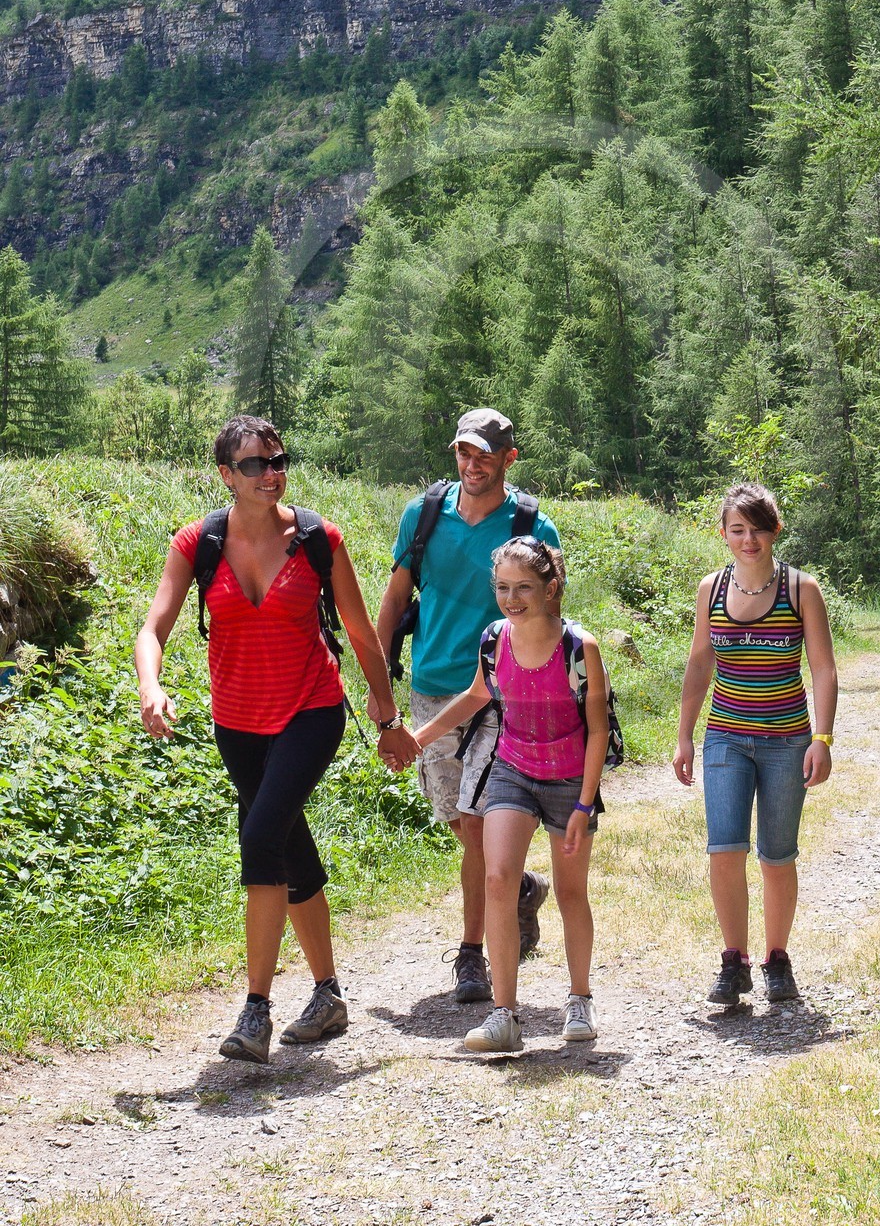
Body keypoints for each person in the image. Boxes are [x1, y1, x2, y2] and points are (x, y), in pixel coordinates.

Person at [135, 414, 417, 1064]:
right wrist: (151, 686)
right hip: (237, 723)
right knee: (289, 844)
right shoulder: (197, 544)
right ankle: (327, 995)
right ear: (226, 475)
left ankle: (255, 1010)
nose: (271, 472)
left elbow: (358, 627)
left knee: (261, 837)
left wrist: (385, 714)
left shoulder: (317, 538)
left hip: (311, 710)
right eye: (256, 464)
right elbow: (153, 629)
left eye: (277, 460)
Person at [376, 408, 562, 1005]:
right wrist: (380, 680)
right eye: (463, 453)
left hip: (501, 693)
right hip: (431, 684)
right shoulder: (424, 514)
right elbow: (398, 593)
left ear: (509, 457)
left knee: (479, 828)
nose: (472, 464)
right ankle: (522, 887)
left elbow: (549, 617)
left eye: (484, 454)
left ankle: (471, 954)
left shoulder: (533, 526)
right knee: (459, 821)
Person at [407, 537, 609, 1053]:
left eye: (524, 587)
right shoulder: (494, 639)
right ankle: (505, 1015)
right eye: (502, 587)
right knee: (497, 879)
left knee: (569, 893)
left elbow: (598, 728)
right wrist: (420, 738)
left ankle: (580, 999)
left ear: (551, 587)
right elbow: (478, 695)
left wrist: (586, 803)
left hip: (568, 780)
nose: (512, 598)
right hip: (513, 771)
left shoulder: (579, 647)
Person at [673, 482, 838, 1008]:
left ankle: (777, 959)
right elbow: (701, 662)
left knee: (776, 854)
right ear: (722, 533)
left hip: (787, 741)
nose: (748, 540)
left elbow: (823, 668)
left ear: (774, 531)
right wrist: (684, 735)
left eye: (757, 529)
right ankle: (732, 962)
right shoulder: (711, 589)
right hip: (725, 737)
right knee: (724, 849)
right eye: (737, 530)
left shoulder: (800, 589)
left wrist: (823, 738)